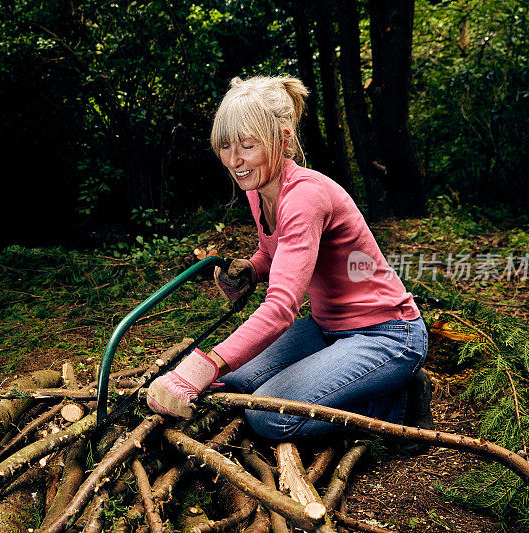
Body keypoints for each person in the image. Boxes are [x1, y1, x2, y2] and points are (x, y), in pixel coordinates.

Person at [146, 75, 433, 441]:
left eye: (247, 146)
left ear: (281, 140)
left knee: (269, 417)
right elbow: (272, 252)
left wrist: (202, 365)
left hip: (386, 334)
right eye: (226, 146)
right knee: (233, 384)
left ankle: (399, 403)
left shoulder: (304, 197)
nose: (235, 161)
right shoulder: (260, 188)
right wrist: (251, 269)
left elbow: (281, 308)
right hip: (327, 327)